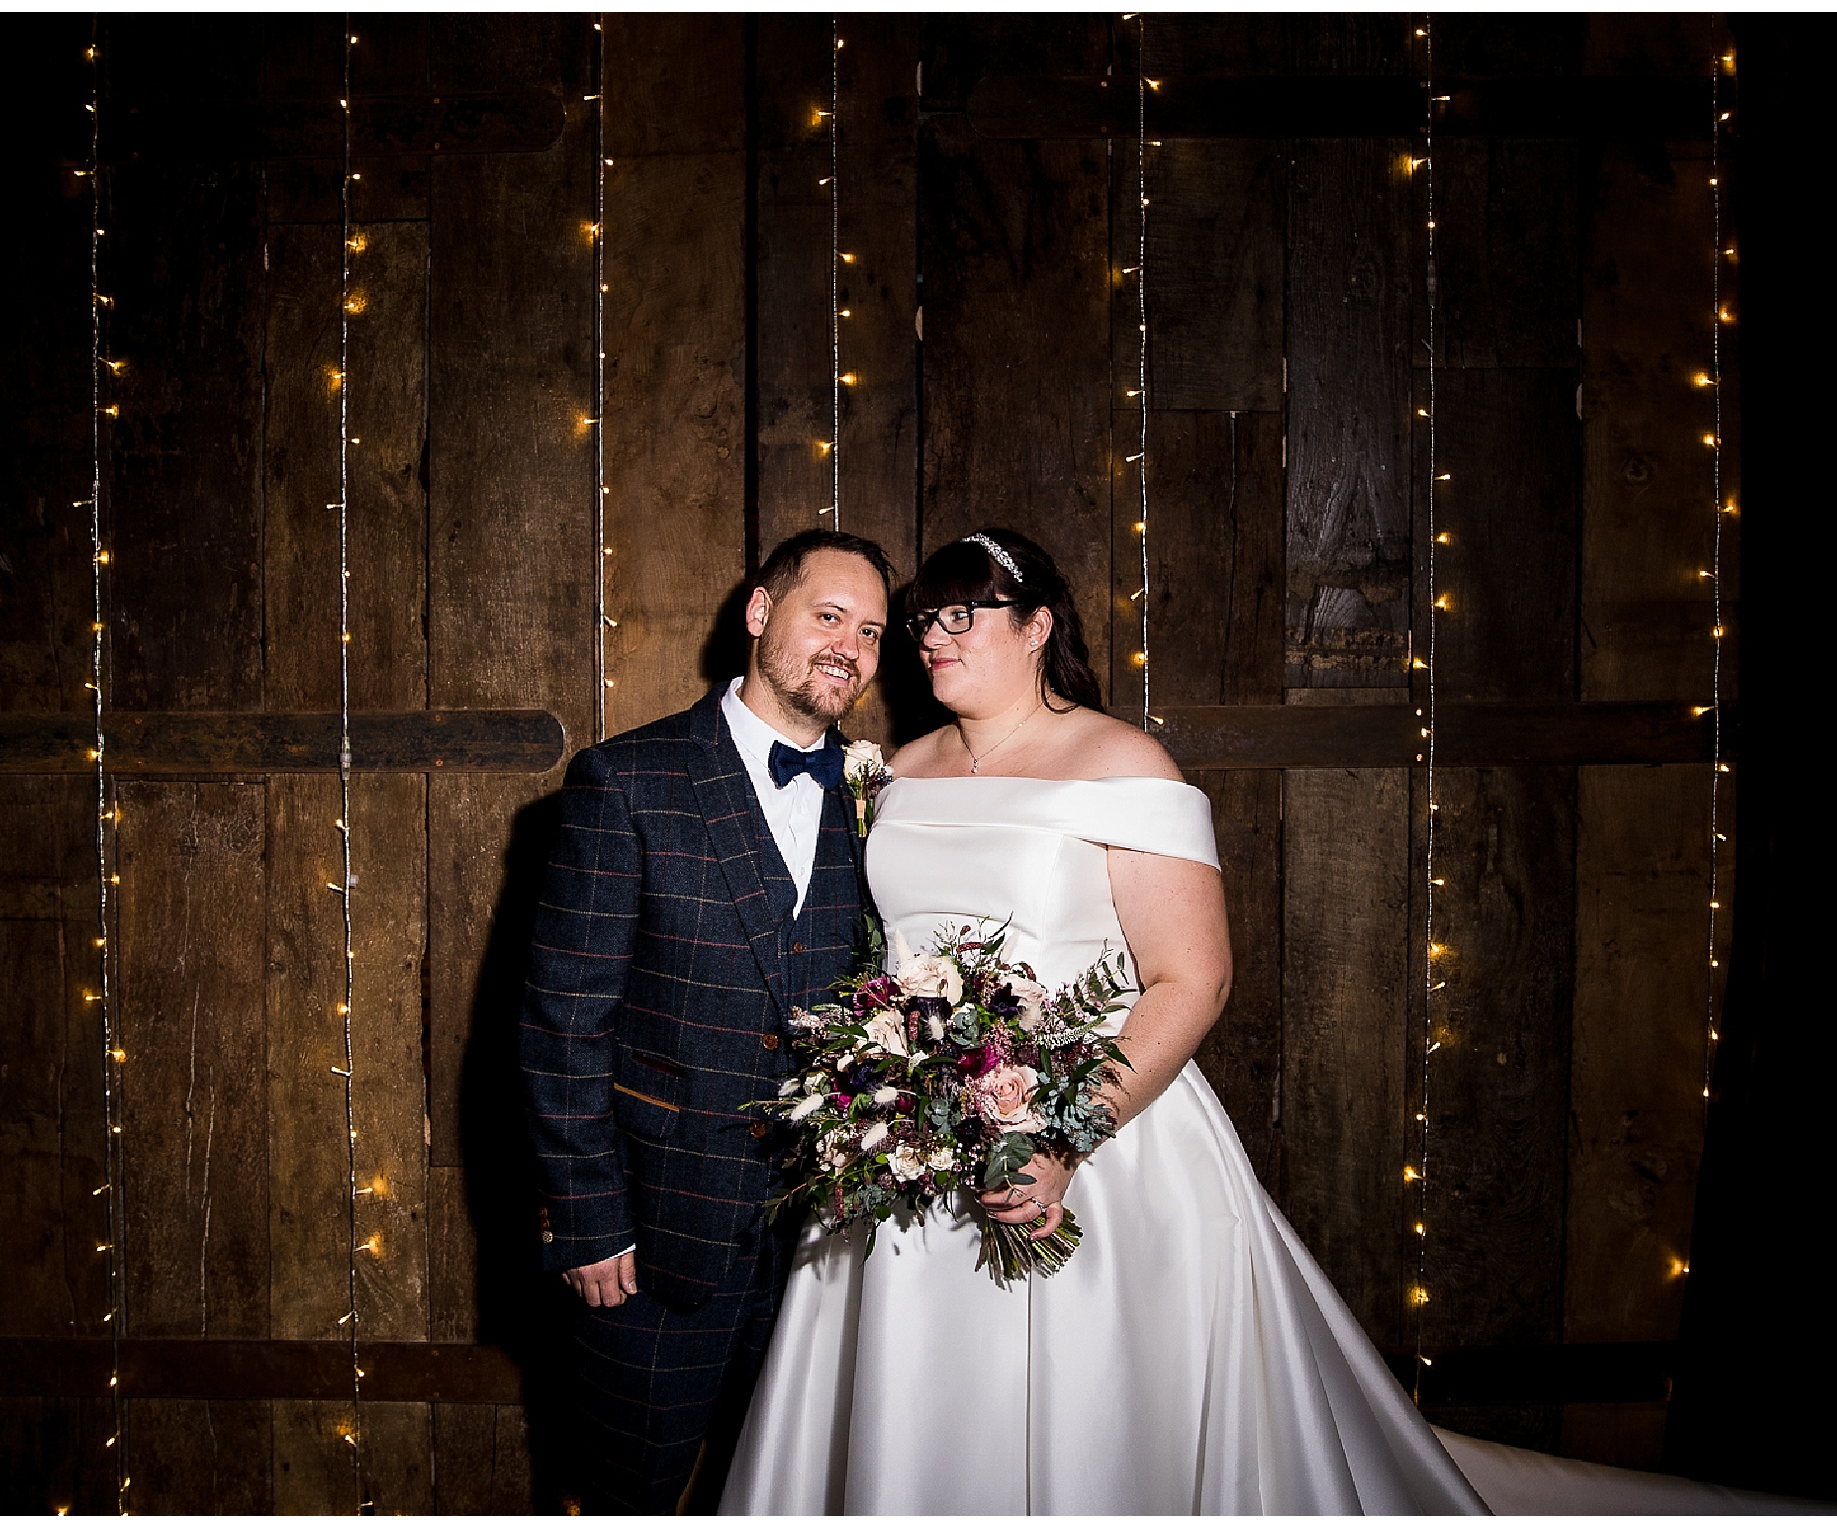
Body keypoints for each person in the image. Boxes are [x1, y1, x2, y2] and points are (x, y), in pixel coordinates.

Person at [718, 528, 1489, 1514]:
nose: (932, 637)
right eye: (924, 620)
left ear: (1038, 625)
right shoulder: (899, 768)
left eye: (964, 614)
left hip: (1102, 1146)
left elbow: (1192, 978)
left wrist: (1063, 1140)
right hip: (913, 1147)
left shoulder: (1125, 763)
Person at [520, 528, 893, 1513]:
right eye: (828, 616)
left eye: (871, 632)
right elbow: (563, 1023)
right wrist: (589, 1219)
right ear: (760, 614)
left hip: (827, 1252)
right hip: (652, 1244)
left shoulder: (880, 796)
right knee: (622, 1494)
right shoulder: (626, 784)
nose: (849, 647)